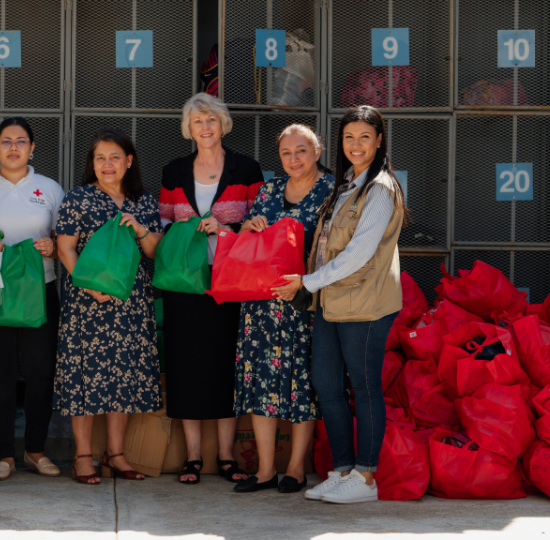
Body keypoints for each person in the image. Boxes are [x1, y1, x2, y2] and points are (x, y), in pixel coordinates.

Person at [274, 106, 407, 504]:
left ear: (379, 140)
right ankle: (344, 470)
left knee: (363, 388)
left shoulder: (380, 188)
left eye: (365, 137)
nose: (356, 145)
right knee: (327, 385)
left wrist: (307, 283)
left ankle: (366, 478)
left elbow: (359, 253)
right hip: (331, 301)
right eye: (349, 137)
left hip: (365, 304)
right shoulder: (346, 183)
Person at [158, 92, 264, 485]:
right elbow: (164, 225)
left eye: (211, 119)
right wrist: (187, 229)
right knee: (186, 366)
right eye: (198, 121)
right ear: (188, 128)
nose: (205, 127)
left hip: (230, 280)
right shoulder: (174, 171)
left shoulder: (246, 168)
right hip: (184, 282)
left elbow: (260, 224)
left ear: (223, 124)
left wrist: (225, 229)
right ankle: (192, 457)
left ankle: (226, 456)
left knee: (225, 366)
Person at [55, 128, 163, 485]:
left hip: (130, 302)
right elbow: (65, 248)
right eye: (100, 158)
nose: (107, 164)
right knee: (85, 378)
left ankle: (115, 455)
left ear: (129, 161)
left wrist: (140, 229)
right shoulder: (78, 198)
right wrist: (87, 284)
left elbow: (154, 252)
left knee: (123, 377)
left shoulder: (144, 202)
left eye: (114, 157)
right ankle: (82, 456)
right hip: (87, 303)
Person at [232, 124, 335, 494]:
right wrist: (249, 227)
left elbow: (336, 248)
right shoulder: (270, 189)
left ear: (317, 151)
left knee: (301, 385)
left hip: (304, 303)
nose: (294, 159)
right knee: (262, 383)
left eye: (301, 150)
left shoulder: (332, 190)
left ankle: (295, 469)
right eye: (286, 153)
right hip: (261, 304)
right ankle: (264, 471)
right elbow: (249, 242)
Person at [0, 117, 65, 480]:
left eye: (21, 141)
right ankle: (4, 454)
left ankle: (35, 451)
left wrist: (54, 247)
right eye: (6, 141)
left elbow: (65, 238)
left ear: (32, 147)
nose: (13, 147)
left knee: (41, 373)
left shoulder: (50, 189)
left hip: (39, 289)